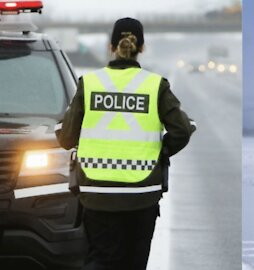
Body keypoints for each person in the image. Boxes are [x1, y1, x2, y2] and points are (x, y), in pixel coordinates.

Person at [56, 17, 195, 270]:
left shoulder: (89, 84)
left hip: (96, 193)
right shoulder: (156, 86)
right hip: (141, 196)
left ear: (111, 46)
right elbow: (181, 131)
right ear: (141, 47)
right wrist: (160, 152)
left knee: (101, 260)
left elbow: (67, 138)